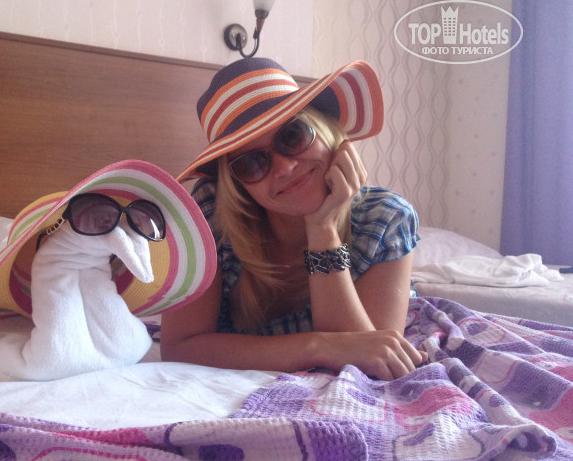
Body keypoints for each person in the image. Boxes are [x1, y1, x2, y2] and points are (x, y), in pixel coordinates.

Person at [161, 57, 426, 381]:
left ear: (326, 132)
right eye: (252, 163)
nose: (285, 168)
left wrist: (322, 228)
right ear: (237, 184)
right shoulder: (210, 214)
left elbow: (374, 364)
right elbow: (179, 347)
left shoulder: (385, 219)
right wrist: (317, 346)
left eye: (292, 136)